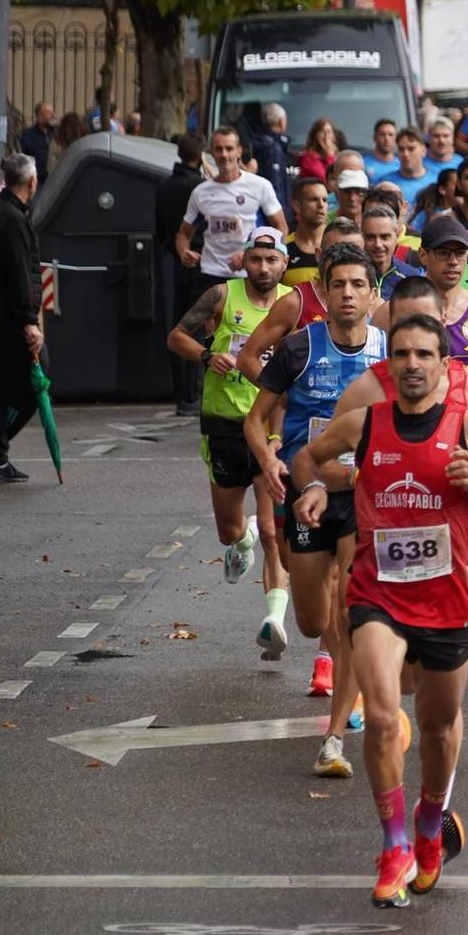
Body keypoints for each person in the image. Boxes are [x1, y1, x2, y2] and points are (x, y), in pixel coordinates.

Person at [293, 312, 468, 906]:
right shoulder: (364, 422)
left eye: (424, 355)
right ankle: (393, 846)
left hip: (444, 600)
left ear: (445, 366)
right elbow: (307, 458)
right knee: (387, 718)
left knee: (440, 729)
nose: (413, 365)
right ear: (389, 366)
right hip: (376, 594)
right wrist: (315, 488)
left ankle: (427, 823)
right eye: (402, 355)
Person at [246, 243, 389, 765]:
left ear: (373, 295)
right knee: (312, 619)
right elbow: (254, 419)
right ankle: (328, 648)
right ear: (322, 293)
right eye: (338, 284)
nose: (348, 293)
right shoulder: (299, 348)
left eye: (358, 285)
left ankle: (335, 736)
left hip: (361, 494)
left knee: (351, 610)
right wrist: (269, 460)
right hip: (306, 492)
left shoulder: (388, 351)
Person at [165, 228, 293, 653]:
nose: (263, 267)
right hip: (222, 422)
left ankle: (274, 620)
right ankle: (243, 539)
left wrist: (280, 431)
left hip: (267, 427)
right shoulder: (222, 296)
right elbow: (176, 336)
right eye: (256, 259)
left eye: (272, 260)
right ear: (245, 260)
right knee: (228, 530)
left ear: (284, 264)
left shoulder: (292, 306)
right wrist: (206, 354)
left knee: (276, 533)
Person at [0, 154, 46, 481]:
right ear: (32, 182)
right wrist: (29, 320)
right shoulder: (10, 219)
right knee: (33, 385)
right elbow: (19, 274)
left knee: (2, 387)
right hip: (8, 319)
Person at [176, 126, 289, 304]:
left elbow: (281, 228)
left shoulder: (259, 186)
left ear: (238, 151)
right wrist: (184, 252)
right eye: (219, 149)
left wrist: (248, 254)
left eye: (229, 148)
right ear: (211, 152)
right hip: (210, 274)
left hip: (249, 275)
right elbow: (183, 233)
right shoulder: (201, 192)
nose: (224, 154)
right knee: (206, 331)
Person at [155, 133, 208, 415]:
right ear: (200, 156)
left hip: (175, 261)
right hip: (202, 260)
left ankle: (181, 395)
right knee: (198, 327)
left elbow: (160, 230)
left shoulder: (163, 186)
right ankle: (194, 393)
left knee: (178, 326)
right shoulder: (202, 188)